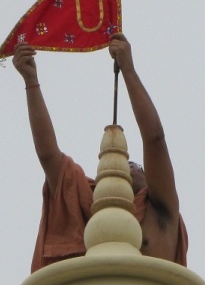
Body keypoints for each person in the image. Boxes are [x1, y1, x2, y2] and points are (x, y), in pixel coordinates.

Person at [12, 34, 187, 270]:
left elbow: (155, 139)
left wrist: (128, 69)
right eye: (129, 164)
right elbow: (48, 157)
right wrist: (31, 80)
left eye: (136, 165)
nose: (129, 166)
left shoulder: (162, 213)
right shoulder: (87, 210)